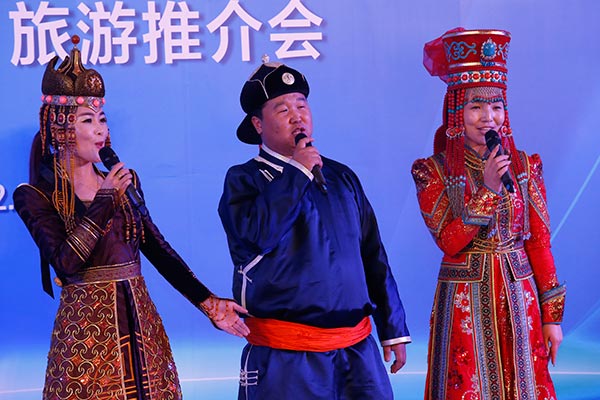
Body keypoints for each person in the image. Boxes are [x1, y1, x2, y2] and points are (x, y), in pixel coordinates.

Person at [13, 36, 249, 400]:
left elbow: (156, 247)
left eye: (103, 119)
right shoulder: (34, 195)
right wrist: (105, 199)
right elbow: (66, 262)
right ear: (61, 129)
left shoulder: (126, 182)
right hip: (86, 338)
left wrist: (208, 303)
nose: (101, 130)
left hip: (140, 327)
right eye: (88, 120)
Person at [217, 60, 411, 400]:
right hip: (287, 355)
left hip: (357, 350)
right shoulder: (244, 180)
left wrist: (392, 328)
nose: (297, 116)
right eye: (282, 109)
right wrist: (297, 173)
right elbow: (256, 238)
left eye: (301, 106)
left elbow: (372, 253)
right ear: (257, 123)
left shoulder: (342, 176)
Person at [411, 28, 566, 399]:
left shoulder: (526, 166)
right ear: (456, 111)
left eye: (496, 106)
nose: (488, 117)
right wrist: (488, 191)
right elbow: (449, 241)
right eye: (476, 106)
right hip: (464, 294)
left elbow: (540, 243)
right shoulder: (430, 171)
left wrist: (552, 316)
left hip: (519, 295)